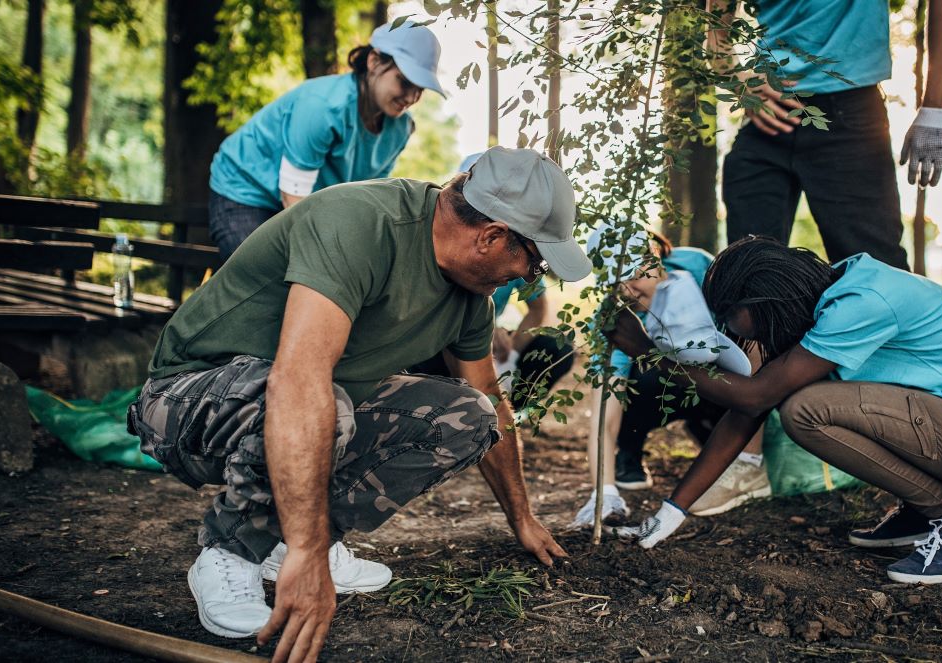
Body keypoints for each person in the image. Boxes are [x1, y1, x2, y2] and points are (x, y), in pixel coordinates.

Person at [127, 147, 591, 662]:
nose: (529, 280)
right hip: (185, 402)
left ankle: (286, 540)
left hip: (310, 406)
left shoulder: (471, 300)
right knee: (327, 403)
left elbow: (492, 403)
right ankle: (231, 550)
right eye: (534, 262)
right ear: (492, 236)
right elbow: (299, 381)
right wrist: (308, 559)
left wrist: (521, 517)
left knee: (468, 418)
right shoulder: (362, 222)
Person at [606, 237, 942, 585]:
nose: (737, 336)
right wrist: (671, 512)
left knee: (806, 410)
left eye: (740, 324)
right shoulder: (820, 298)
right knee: (801, 402)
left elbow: (756, 397)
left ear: (767, 304)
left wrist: (649, 352)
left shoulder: (860, 302)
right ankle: (924, 508)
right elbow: (745, 412)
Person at [709, 0, 942, 268]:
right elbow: (715, 27)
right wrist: (739, 82)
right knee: (746, 274)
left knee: (874, 273)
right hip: (768, 115)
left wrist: (936, 107)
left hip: (849, 115)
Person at [572, 227, 771, 529]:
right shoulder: (617, 317)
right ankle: (630, 452)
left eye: (632, 274)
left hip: (724, 381)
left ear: (653, 257)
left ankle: (739, 452)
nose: (626, 289)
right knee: (643, 378)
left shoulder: (698, 266)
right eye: (615, 283)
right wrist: (604, 490)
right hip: (663, 390)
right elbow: (605, 410)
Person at [206, 21, 443, 260]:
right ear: (373, 61)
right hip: (247, 190)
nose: (412, 97)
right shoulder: (322, 106)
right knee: (261, 281)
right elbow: (294, 201)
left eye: (420, 89)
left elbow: (362, 198)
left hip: (300, 203)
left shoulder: (400, 128)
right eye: (404, 82)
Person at [409, 154, 576, 413]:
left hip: (488, 346)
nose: (530, 276)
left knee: (556, 346)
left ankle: (502, 418)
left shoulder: (513, 263)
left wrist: (510, 349)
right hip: (437, 350)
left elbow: (538, 309)